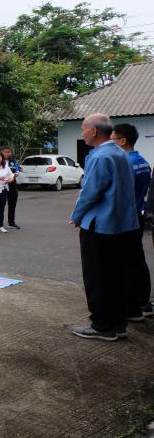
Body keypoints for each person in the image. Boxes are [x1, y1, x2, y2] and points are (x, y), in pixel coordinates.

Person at [70, 113, 139, 341]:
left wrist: (76, 216)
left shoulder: (100, 157)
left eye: (83, 128)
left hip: (100, 226)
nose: (82, 133)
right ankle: (118, 324)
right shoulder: (121, 154)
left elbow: (90, 192)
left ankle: (102, 326)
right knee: (116, 275)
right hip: (123, 225)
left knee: (97, 276)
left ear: (93, 131)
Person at [110, 123, 153, 319]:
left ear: (122, 141)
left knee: (125, 262)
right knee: (137, 259)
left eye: (112, 140)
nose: (109, 144)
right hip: (138, 214)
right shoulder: (143, 162)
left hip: (125, 218)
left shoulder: (124, 163)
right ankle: (143, 302)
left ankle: (131, 307)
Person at [0, 146, 21, 229]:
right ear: (2, 152)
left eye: (9, 152)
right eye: (5, 152)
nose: (7, 153)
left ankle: (11, 222)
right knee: (0, 204)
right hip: (1, 185)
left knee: (12, 204)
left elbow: (17, 172)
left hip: (12, 185)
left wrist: (13, 177)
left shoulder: (14, 162)